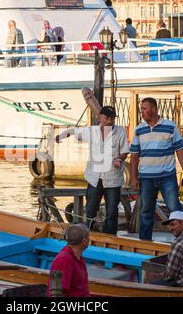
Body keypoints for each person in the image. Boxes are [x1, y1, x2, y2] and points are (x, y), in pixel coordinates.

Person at [56, 97, 130, 235]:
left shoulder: (120, 132)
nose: (110, 121)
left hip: (113, 179)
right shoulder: (91, 131)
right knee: (90, 210)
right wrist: (60, 136)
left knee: (112, 211)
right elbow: (73, 131)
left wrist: (119, 159)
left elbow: (125, 151)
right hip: (94, 178)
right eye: (107, 118)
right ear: (101, 117)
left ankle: (110, 238)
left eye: (112, 119)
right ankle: (86, 236)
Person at [130, 97, 183, 241]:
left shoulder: (170, 126)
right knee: (146, 211)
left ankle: (182, 241)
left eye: (144, 108)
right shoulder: (139, 129)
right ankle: (145, 243)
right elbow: (134, 155)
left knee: (175, 210)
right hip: (146, 178)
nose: (141, 111)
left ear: (154, 109)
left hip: (167, 177)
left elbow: (180, 150)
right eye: (141, 108)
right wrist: (133, 177)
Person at [47, 224, 90, 297]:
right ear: (84, 241)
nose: (89, 240)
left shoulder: (78, 257)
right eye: (89, 238)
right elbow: (54, 294)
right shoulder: (63, 260)